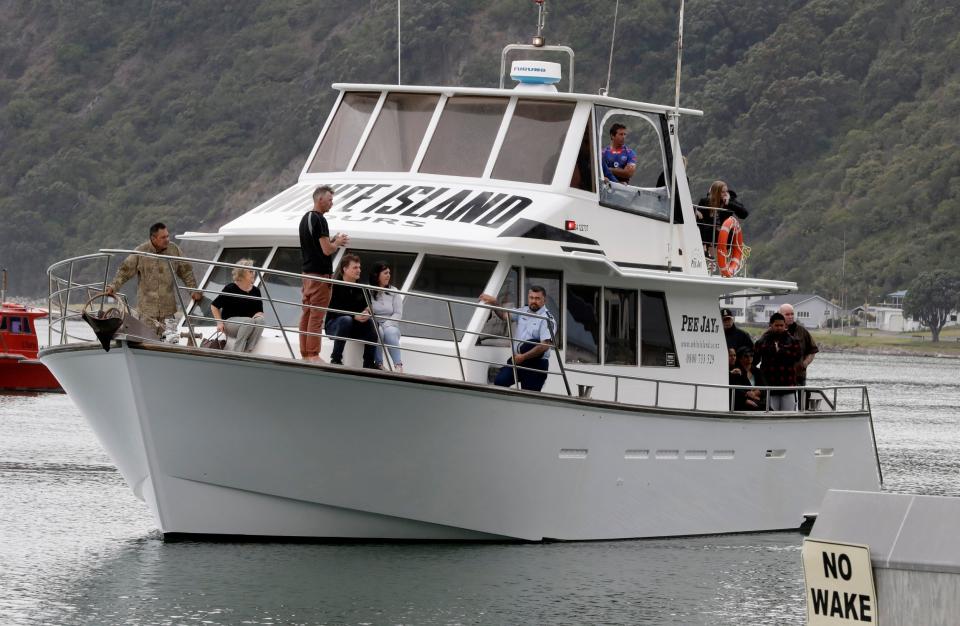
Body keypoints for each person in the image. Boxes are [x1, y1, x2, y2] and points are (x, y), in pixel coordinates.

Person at [105, 222, 201, 341]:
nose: (167, 239)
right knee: (146, 343)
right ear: (153, 238)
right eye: (163, 237)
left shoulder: (174, 250)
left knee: (170, 343)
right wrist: (113, 286)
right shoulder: (141, 251)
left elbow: (186, 271)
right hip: (146, 313)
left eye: (168, 236)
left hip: (168, 312)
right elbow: (125, 271)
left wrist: (193, 290)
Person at [299, 185, 349, 362]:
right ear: (319, 199)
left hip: (307, 275)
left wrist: (332, 241)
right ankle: (313, 354)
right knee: (316, 316)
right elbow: (327, 250)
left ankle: (305, 353)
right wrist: (338, 242)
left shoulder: (305, 218)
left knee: (306, 313)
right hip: (320, 276)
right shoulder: (320, 220)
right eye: (329, 200)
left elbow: (316, 247)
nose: (331, 204)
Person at [479, 286, 555, 391]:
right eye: (531, 298)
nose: (533, 301)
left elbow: (544, 346)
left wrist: (523, 357)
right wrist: (494, 303)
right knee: (500, 381)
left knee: (529, 396)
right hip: (518, 358)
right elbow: (504, 316)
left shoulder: (547, 319)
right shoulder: (523, 311)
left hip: (536, 364)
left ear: (544, 300)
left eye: (537, 298)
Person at [324, 253, 378, 368]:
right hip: (335, 326)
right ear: (345, 269)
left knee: (372, 323)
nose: (359, 270)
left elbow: (369, 307)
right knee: (346, 320)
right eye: (355, 267)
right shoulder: (334, 286)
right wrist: (354, 315)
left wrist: (367, 313)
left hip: (353, 326)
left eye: (359, 267)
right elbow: (334, 310)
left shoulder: (362, 289)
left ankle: (369, 363)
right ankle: (336, 359)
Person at [210, 259, 265, 353]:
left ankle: (248, 350)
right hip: (230, 323)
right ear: (242, 274)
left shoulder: (256, 291)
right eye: (250, 271)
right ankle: (237, 352)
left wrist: (259, 315)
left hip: (248, 324)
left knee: (260, 320)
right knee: (248, 321)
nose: (253, 274)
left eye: (254, 271)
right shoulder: (230, 288)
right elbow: (214, 306)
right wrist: (219, 322)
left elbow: (259, 311)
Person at [753, 312, 802, 411]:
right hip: (769, 386)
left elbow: (797, 357)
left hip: (788, 387)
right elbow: (754, 361)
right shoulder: (762, 341)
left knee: (788, 417)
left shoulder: (793, 341)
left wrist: (781, 350)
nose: (779, 328)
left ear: (785, 325)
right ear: (770, 325)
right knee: (770, 416)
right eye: (776, 325)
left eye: (781, 325)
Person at [368, 261, 403, 372]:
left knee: (390, 332)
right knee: (378, 332)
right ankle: (379, 364)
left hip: (390, 324)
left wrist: (386, 324)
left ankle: (398, 366)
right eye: (385, 273)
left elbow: (398, 314)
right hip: (373, 322)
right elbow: (366, 310)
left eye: (389, 273)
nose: (388, 275)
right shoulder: (368, 290)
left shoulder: (394, 291)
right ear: (376, 275)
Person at [696, 181, 748, 256]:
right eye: (722, 192)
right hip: (708, 233)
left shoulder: (730, 201)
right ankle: (705, 249)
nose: (725, 194)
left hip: (725, 234)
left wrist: (729, 203)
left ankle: (719, 255)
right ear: (716, 192)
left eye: (726, 191)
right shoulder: (705, 201)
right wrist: (697, 212)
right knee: (702, 223)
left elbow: (744, 214)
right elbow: (699, 219)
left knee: (722, 234)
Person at [779, 303, 819, 387]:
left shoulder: (802, 331)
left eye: (792, 314)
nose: (790, 316)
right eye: (787, 314)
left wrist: (805, 363)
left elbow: (812, 350)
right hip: (778, 377)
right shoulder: (773, 332)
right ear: (780, 315)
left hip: (798, 376)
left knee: (800, 398)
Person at [730, 346, 767, 411]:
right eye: (746, 356)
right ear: (740, 358)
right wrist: (747, 397)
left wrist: (754, 393)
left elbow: (764, 386)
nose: (749, 357)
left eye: (751, 355)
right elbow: (736, 390)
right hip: (742, 404)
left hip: (759, 401)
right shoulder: (736, 371)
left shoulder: (757, 371)